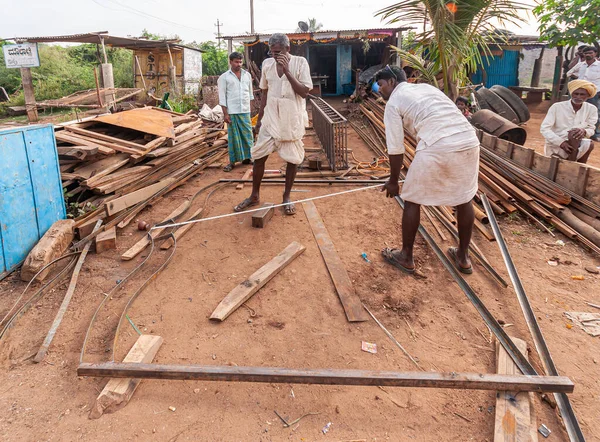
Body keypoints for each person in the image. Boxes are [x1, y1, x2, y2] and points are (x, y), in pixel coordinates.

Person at [376, 65, 480, 275]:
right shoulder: (427, 88)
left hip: (438, 144)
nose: (379, 90)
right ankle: (463, 256)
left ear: (393, 82)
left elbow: (396, 149)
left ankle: (406, 256)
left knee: (412, 199)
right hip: (469, 140)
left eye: (381, 84)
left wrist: (394, 181)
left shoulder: (394, 102)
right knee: (464, 199)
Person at [233, 33, 312, 215]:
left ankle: (286, 197)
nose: (275, 56)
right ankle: (254, 195)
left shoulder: (300, 63)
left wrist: (287, 71)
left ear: (287, 49)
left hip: (291, 118)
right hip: (271, 117)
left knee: (292, 159)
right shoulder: (267, 64)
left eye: (278, 52)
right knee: (259, 156)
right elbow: (265, 94)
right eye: (272, 52)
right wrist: (259, 120)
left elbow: (303, 92)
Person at [540, 80, 597, 163]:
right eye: (575, 94)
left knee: (588, 142)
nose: (578, 97)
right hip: (557, 145)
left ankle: (576, 163)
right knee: (572, 134)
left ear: (588, 96)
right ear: (571, 94)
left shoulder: (591, 109)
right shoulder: (557, 107)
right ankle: (572, 163)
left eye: (582, 94)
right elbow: (544, 129)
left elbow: (591, 129)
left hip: (577, 145)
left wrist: (584, 131)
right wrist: (561, 142)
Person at [218, 52, 254, 172]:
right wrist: (225, 114)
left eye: (240, 62)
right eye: (236, 62)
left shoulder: (247, 75)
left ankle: (248, 158)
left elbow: (250, 94)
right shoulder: (224, 77)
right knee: (233, 138)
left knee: (248, 135)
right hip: (232, 112)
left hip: (245, 111)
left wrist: (251, 110)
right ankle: (232, 162)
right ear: (230, 62)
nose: (238, 64)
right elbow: (222, 97)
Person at [567, 46, 600, 140]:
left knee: (594, 112)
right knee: (576, 110)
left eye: (590, 53)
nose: (588, 55)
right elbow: (569, 72)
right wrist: (578, 79)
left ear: (595, 54)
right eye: (586, 53)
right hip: (579, 92)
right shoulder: (581, 65)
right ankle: (574, 130)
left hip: (594, 93)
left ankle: (594, 134)